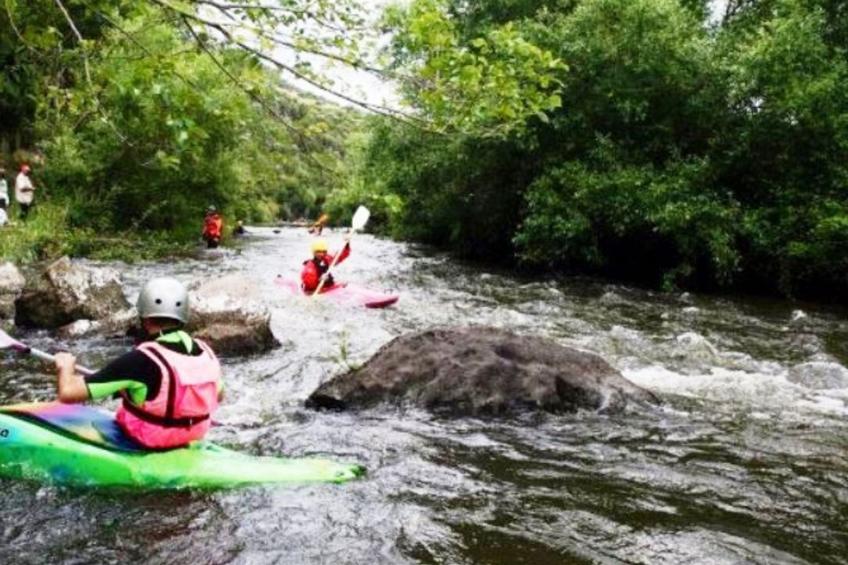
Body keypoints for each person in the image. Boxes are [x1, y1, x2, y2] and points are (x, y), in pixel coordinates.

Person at [53, 277, 223, 450]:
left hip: (150, 439)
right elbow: (218, 395)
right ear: (183, 317)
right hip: (194, 434)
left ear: (145, 318)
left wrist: (65, 367)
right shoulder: (206, 352)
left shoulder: (139, 360)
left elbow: (67, 394)